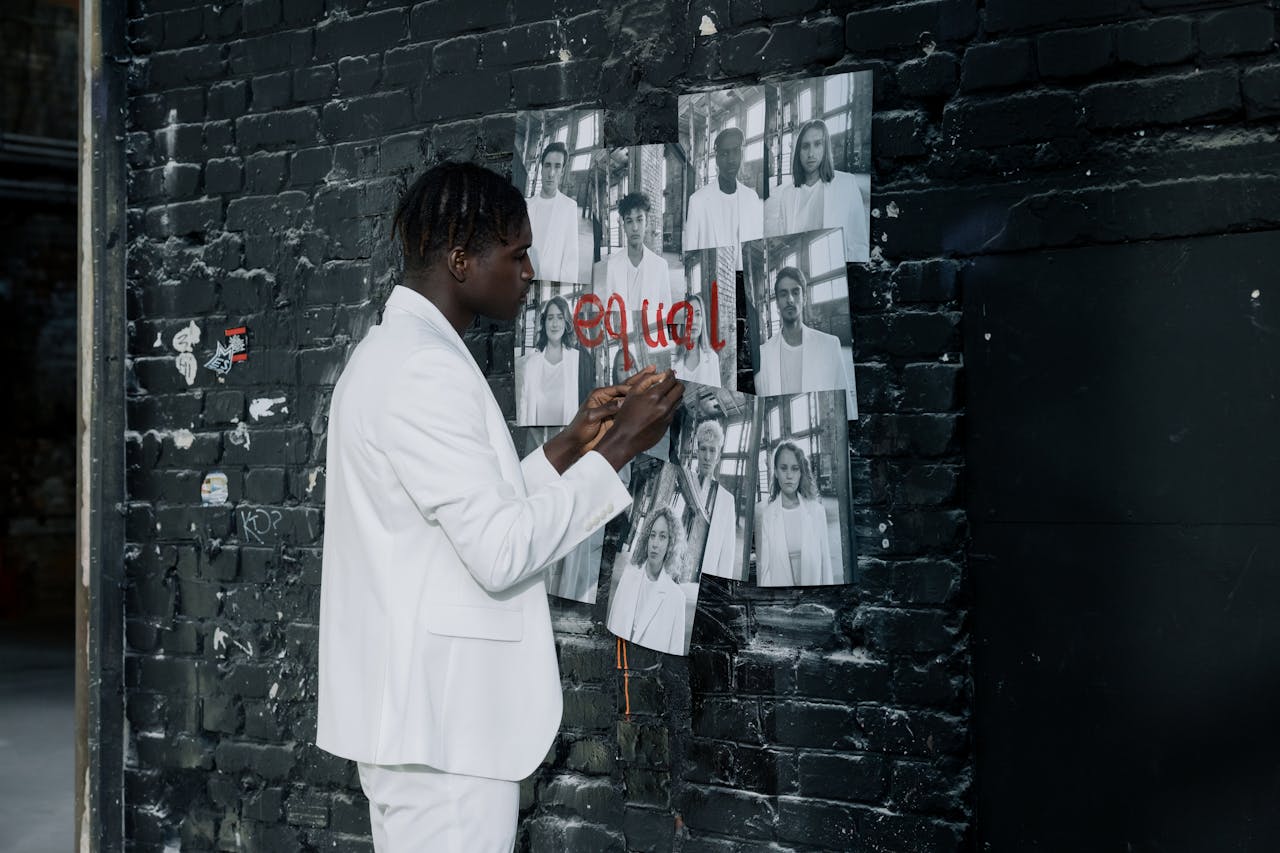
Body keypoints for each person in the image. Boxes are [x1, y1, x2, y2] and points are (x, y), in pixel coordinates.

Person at [316, 161, 683, 853]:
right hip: (448, 733)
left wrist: (569, 447)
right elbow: (498, 550)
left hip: (423, 724)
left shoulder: (399, 352)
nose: (530, 272)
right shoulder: (425, 368)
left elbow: (456, 515)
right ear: (461, 258)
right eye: (515, 255)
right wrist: (622, 448)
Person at [754, 266, 857, 415]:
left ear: (804, 298)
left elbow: (845, 407)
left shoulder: (830, 346)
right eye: (783, 294)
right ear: (777, 302)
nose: (790, 299)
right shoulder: (764, 354)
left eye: (795, 292)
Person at [765, 118, 870, 262]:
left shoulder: (847, 184)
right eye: (805, 146)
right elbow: (786, 240)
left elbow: (859, 246)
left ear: (825, 147)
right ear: (798, 151)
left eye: (817, 144)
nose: (811, 154)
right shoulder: (787, 194)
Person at [606, 506, 689, 654]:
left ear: (671, 544)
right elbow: (611, 626)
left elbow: (674, 657)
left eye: (663, 536)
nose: (655, 544)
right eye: (652, 535)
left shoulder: (677, 599)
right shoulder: (628, 576)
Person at [754, 440, 835, 586]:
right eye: (783, 468)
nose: (789, 475)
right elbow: (766, 571)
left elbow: (826, 565)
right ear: (776, 473)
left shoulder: (816, 512)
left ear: (801, 472)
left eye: (795, 468)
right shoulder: (768, 516)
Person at [683, 127, 763, 267]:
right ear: (717, 158)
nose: (732, 160)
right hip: (713, 280)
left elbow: (755, 244)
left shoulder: (752, 199)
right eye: (725, 154)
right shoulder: (698, 201)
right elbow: (691, 254)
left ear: (741, 154)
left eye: (736, 151)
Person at [598, 191, 671, 339]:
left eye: (639, 219)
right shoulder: (612, 265)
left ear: (647, 222)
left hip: (652, 338)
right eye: (629, 221)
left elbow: (668, 312)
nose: (635, 227)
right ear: (623, 225)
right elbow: (608, 311)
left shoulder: (660, 266)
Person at [673, 419, 738, 580]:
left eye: (712, 450)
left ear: (718, 455)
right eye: (703, 449)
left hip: (702, 577)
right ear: (697, 452)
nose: (707, 457)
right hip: (674, 569)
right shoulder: (685, 483)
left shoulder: (726, 501)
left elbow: (727, 555)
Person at [517, 295, 585, 426]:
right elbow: (524, 408)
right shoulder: (531, 364)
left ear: (566, 323)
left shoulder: (576, 360)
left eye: (560, 318)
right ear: (544, 323)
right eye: (550, 318)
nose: (555, 324)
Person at [525, 141, 581, 283]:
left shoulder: (569, 207)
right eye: (548, 165)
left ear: (562, 171)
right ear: (541, 168)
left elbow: (571, 258)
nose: (551, 173)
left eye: (557, 166)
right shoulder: (527, 205)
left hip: (552, 283)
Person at [673, 293, 722, 387]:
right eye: (688, 316)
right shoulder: (674, 361)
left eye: (698, 314)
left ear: (702, 319)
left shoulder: (712, 358)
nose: (694, 321)